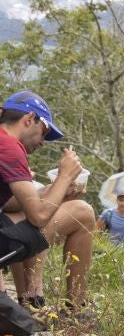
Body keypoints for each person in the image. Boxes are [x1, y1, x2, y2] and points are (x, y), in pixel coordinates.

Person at [0, 91, 94, 310]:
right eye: (44, 132)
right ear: (29, 119)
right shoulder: (9, 147)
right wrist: (65, 176)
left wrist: (57, 191)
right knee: (82, 212)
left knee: (30, 211)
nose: (43, 142)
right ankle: (77, 309)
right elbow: (39, 216)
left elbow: (9, 205)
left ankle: (30, 299)